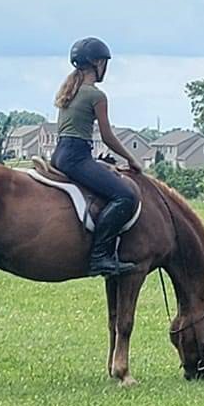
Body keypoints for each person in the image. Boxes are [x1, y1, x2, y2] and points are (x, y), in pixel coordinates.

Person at [52, 37, 144, 276]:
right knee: (124, 196)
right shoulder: (96, 95)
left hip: (60, 153)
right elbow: (107, 136)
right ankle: (100, 256)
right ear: (97, 63)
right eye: (104, 63)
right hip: (77, 157)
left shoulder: (69, 91)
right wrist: (131, 159)